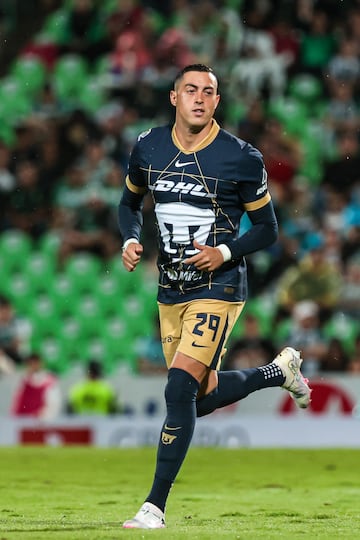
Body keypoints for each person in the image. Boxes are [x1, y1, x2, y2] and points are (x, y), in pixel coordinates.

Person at [118, 64, 311, 529]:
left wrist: (224, 250)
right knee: (195, 399)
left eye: (208, 92)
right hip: (170, 288)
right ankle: (276, 372)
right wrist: (129, 238)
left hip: (219, 286)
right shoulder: (148, 146)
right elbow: (129, 203)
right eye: (191, 90)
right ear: (174, 98)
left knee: (178, 387)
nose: (199, 98)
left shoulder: (241, 157)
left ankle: (154, 507)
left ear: (217, 102)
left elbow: (267, 229)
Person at [11, 352, 62, 419]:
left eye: (35, 362)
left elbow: (53, 404)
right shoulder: (21, 379)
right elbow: (16, 401)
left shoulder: (49, 381)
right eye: (30, 363)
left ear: (41, 363)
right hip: (20, 420)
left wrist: (43, 417)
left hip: (38, 421)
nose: (33, 365)